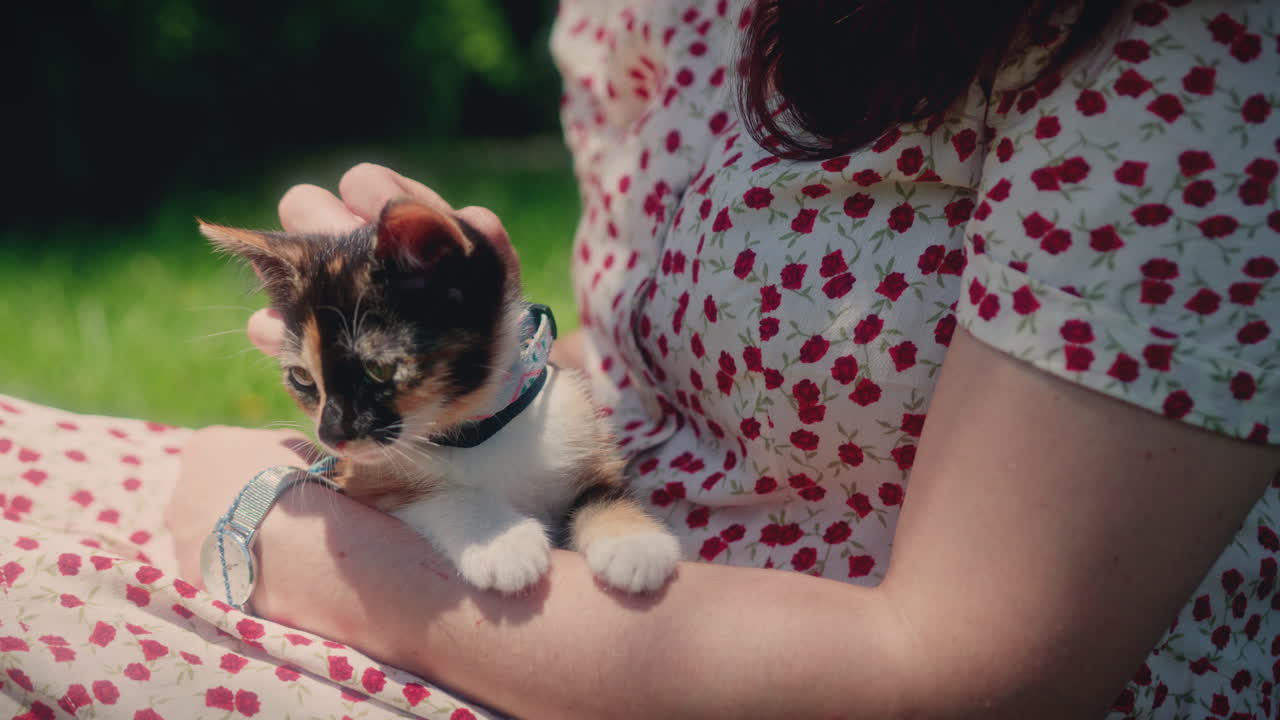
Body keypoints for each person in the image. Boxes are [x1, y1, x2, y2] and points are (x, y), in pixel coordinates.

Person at [3, 0, 1277, 718]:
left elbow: (967, 679)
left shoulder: (1188, 61)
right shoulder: (683, 13)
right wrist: (479, 375)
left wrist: (304, 554)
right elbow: (650, 375)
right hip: (574, 569)